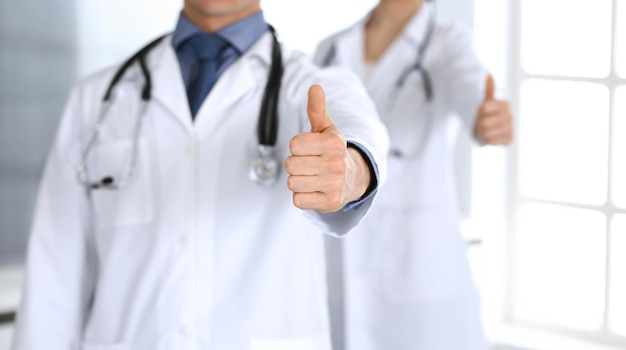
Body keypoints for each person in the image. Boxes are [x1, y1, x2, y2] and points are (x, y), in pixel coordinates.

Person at [11, 1, 389, 349]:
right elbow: (52, 282)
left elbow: (359, 130)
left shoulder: (312, 86)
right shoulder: (96, 99)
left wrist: (350, 171)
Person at [314, 0, 513, 349]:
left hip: (422, 278)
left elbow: (472, 87)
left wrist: (486, 120)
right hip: (345, 272)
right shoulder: (332, 48)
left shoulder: (448, 42)